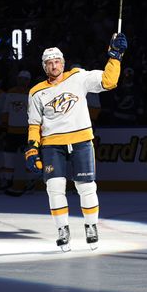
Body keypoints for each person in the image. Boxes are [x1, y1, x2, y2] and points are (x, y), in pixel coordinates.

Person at [25, 33, 127, 251]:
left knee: (87, 187)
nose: (54, 66)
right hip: (52, 144)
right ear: (44, 67)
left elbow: (109, 81)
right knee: (54, 188)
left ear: (63, 62)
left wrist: (115, 56)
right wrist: (32, 149)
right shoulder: (36, 92)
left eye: (57, 61)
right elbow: (34, 124)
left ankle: (91, 226)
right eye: (49, 63)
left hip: (81, 140)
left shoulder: (78, 77)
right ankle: (62, 229)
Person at [2, 70, 32, 193]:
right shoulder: (10, 93)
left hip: (27, 132)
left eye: (25, 79)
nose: (22, 81)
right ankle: (8, 181)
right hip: (11, 131)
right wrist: (4, 126)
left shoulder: (32, 93)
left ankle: (30, 183)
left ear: (28, 81)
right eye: (20, 79)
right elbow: (5, 111)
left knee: (29, 159)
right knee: (8, 158)